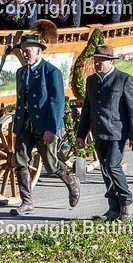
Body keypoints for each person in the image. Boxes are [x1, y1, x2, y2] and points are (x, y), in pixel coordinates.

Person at [10, 27, 81, 216]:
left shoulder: (51, 72)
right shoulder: (20, 73)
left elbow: (56, 103)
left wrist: (52, 128)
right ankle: (27, 202)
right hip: (24, 124)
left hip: (44, 125)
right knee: (20, 161)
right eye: (23, 50)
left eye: (28, 50)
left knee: (51, 164)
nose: (25, 54)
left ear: (39, 51)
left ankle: (72, 181)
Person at [76, 45, 133, 222]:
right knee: (105, 169)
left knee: (113, 166)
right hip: (99, 132)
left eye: (101, 61)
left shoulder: (124, 79)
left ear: (111, 61)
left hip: (117, 133)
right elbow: (87, 110)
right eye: (95, 61)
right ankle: (113, 208)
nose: (97, 64)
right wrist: (81, 135)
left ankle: (127, 202)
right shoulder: (91, 81)